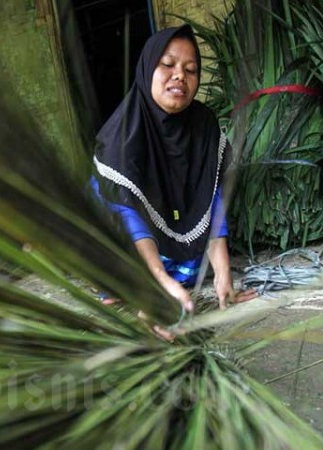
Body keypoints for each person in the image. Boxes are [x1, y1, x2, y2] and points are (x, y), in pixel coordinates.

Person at [92, 24, 257, 312]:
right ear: (146, 70)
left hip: (173, 233)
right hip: (130, 234)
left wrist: (222, 271)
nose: (180, 75)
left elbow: (212, 198)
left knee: (194, 264)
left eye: (191, 70)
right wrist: (157, 281)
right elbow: (128, 213)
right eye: (167, 64)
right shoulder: (123, 133)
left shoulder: (203, 125)